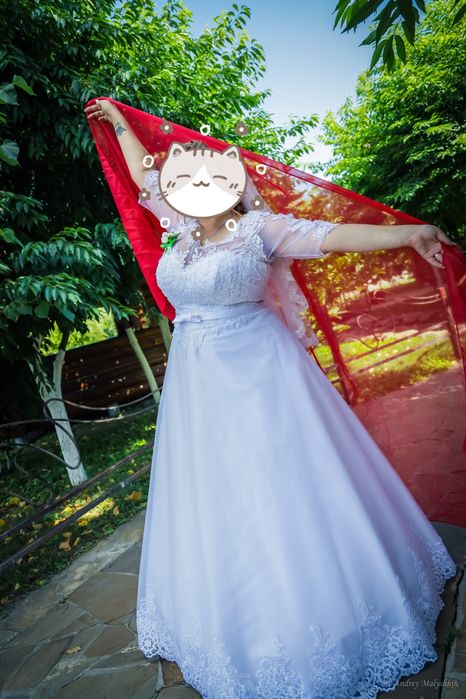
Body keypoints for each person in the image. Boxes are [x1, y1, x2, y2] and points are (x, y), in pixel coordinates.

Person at [85, 99, 457, 699]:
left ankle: (323, 615)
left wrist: (409, 233)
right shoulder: (178, 227)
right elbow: (141, 176)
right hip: (197, 385)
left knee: (282, 481)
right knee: (214, 491)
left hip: (261, 376)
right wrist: (119, 123)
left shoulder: (259, 230)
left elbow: (331, 237)